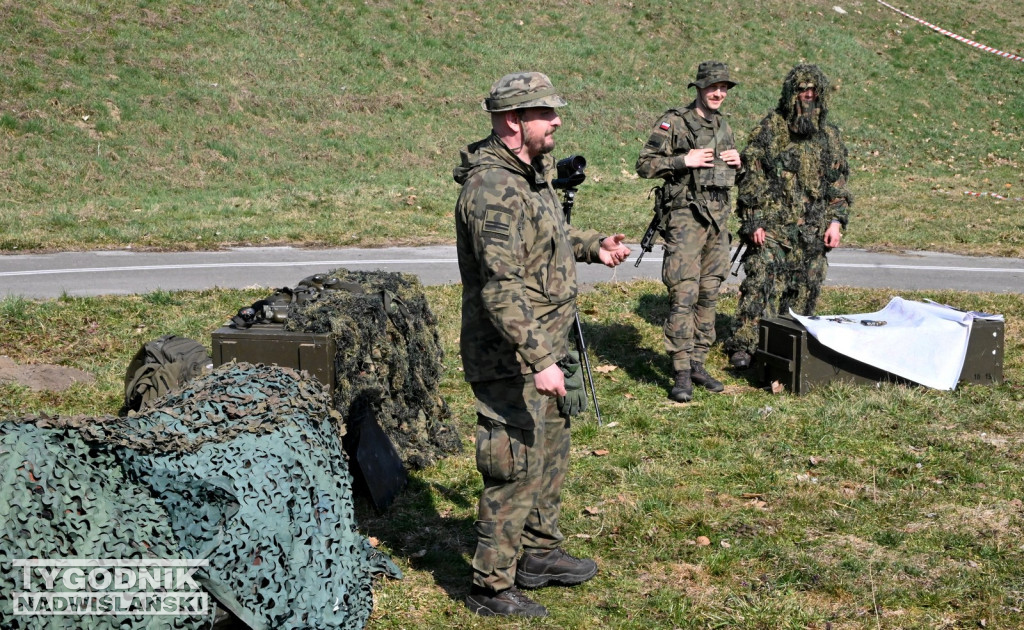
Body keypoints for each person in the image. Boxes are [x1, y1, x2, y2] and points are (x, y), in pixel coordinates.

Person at [453, 71, 631, 618]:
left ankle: (538, 554)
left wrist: (590, 246)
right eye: (545, 114)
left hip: (547, 344)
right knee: (513, 465)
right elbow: (501, 286)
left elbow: (545, 243)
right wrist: (540, 360)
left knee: (550, 454)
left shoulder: (531, 174)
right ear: (514, 121)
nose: (556, 121)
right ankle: (491, 585)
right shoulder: (491, 190)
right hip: (512, 355)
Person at [724, 64, 853, 369]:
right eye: (801, 90)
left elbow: (838, 183)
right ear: (790, 94)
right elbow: (751, 174)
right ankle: (746, 343)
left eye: (813, 91)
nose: (807, 96)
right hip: (773, 227)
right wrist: (753, 219)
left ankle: (787, 342)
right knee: (760, 282)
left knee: (805, 286)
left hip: (813, 229)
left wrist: (836, 222)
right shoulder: (771, 128)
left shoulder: (829, 136)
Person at [635, 60, 741, 402]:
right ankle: (680, 372)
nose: (719, 93)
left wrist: (738, 164)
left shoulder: (724, 126)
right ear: (699, 88)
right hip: (685, 219)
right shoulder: (675, 121)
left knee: (709, 293)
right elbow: (645, 164)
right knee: (684, 295)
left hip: (717, 222)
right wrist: (684, 161)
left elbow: (726, 176)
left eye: (724, 88)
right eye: (713, 87)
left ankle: (698, 362)